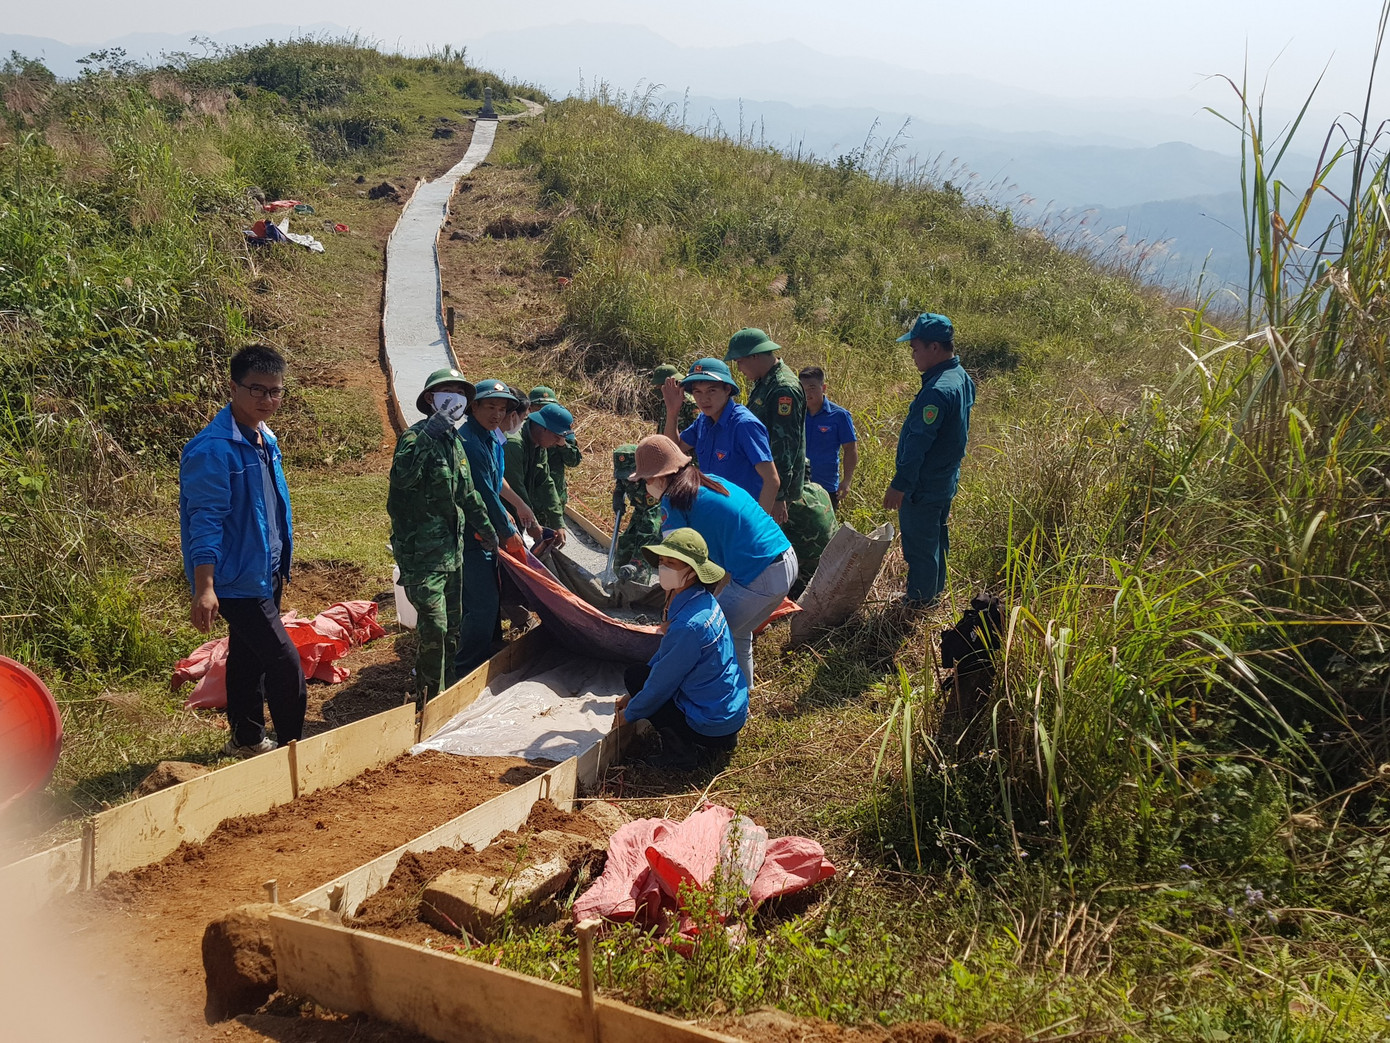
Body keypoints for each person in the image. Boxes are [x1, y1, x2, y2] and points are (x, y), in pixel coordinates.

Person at [179, 344, 305, 758]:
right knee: (285, 664)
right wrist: (205, 587)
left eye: (276, 391)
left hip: (266, 570)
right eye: (257, 390)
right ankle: (293, 750)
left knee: (248, 658)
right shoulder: (213, 449)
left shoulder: (263, 437)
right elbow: (205, 520)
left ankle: (246, 739)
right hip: (236, 580)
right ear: (232, 387)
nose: (268, 400)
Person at [631, 435, 797, 686]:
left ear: (660, 476)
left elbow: (673, 567)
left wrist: (668, 620)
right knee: (737, 632)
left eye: (646, 480)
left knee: (708, 634)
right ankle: (744, 694)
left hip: (761, 573)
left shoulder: (673, 501)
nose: (646, 486)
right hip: (784, 558)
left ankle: (714, 702)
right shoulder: (708, 480)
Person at [387, 368, 499, 705]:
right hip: (421, 555)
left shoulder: (455, 443)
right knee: (434, 626)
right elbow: (402, 478)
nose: (454, 397)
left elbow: (468, 494)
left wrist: (487, 529)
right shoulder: (415, 438)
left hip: (453, 553)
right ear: (430, 400)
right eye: (445, 391)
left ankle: (444, 692)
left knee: (451, 629)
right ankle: (427, 698)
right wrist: (431, 431)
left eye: (459, 392)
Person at [614, 528, 748, 770]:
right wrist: (630, 698)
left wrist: (629, 714)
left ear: (692, 572)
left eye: (672, 563)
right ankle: (725, 739)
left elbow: (659, 685)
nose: (663, 568)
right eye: (662, 562)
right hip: (730, 712)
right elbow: (666, 655)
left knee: (637, 678)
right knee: (644, 675)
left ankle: (680, 754)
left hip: (711, 724)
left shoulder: (688, 626)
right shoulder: (704, 601)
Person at [883, 313, 975, 608]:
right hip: (944, 480)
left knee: (920, 544)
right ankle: (933, 593)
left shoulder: (937, 391)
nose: (913, 355)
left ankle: (920, 601)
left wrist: (900, 484)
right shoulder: (961, 377)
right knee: (937, 537)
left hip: (924, 484)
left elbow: (918, 444)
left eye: (916, 348)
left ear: (934, 348)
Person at [456, 379, 530, 675]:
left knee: (489, 597)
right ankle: (465, 669)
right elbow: (484, 492)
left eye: (502, 409)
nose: (497, 414)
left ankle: (488, 647)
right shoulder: (470, 443)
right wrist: (506, 529)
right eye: (490, 407)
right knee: (482, 605)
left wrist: (514, 511)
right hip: (471, 534)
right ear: (473, 406)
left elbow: (495, 479)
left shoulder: (490, 437)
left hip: (485, 530)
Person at [661, 358, 779, 513]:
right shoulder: (703, 420)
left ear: (727, 389)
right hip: (714, 513)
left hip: (740, 516)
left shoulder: (744, 425)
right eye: (697, 391)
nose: (704, 399)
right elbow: (673, 451)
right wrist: (672, 412)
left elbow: (771, 480)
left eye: (712, 390)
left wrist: (758, 525)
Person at [723, 328, 804, 524]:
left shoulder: (782, 388)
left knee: (765, 539)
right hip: (762, 480)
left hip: (774, 488)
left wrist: (779, 495)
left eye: (740, 361)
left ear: (755, 356)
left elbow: (784, 446)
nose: (739, 368)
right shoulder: (765, 382)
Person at [505, 401, 576, 545]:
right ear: (543, 428)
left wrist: (558, 523)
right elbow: (516, 486)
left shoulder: (539, 443)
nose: (558, 443)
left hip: (518, 511)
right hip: (504, 510)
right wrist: (532, 524)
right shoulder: (514, 444)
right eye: (556, 437)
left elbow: (545, 481)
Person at [799, 365, 858, 510]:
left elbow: (850, 449)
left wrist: (847, 480)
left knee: (826, 530)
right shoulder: (795, 413)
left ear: (823, 387)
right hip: (798, 484)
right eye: (803, 389)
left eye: (812, 387)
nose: (807, 393)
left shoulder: (839, 416)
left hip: (826, 487)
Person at [528, 386, 582, 519]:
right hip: (533, 495)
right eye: (539, 408)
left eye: (548, 407)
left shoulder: (563, 434)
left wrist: (562, 445)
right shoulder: (527, 431)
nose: (545, 411)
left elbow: (574, 461)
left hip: (556, 493)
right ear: (530, 409)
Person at [611, 443, 662, 572]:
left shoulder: (651, 484)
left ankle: (637, 584)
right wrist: (617, 495)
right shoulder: (624, 476)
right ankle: (618, 582)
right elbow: (620, 484)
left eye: (630, 475)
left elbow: (650, 530)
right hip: (639, 511)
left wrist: (635, 562)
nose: (627, 479)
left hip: (653, 515)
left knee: (642, 553)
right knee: (624, 544)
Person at [646, 363, 697, 431]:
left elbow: (697, 430)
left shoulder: (690, 403)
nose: (657, 387)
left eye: (659, 385)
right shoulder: (665, 401)